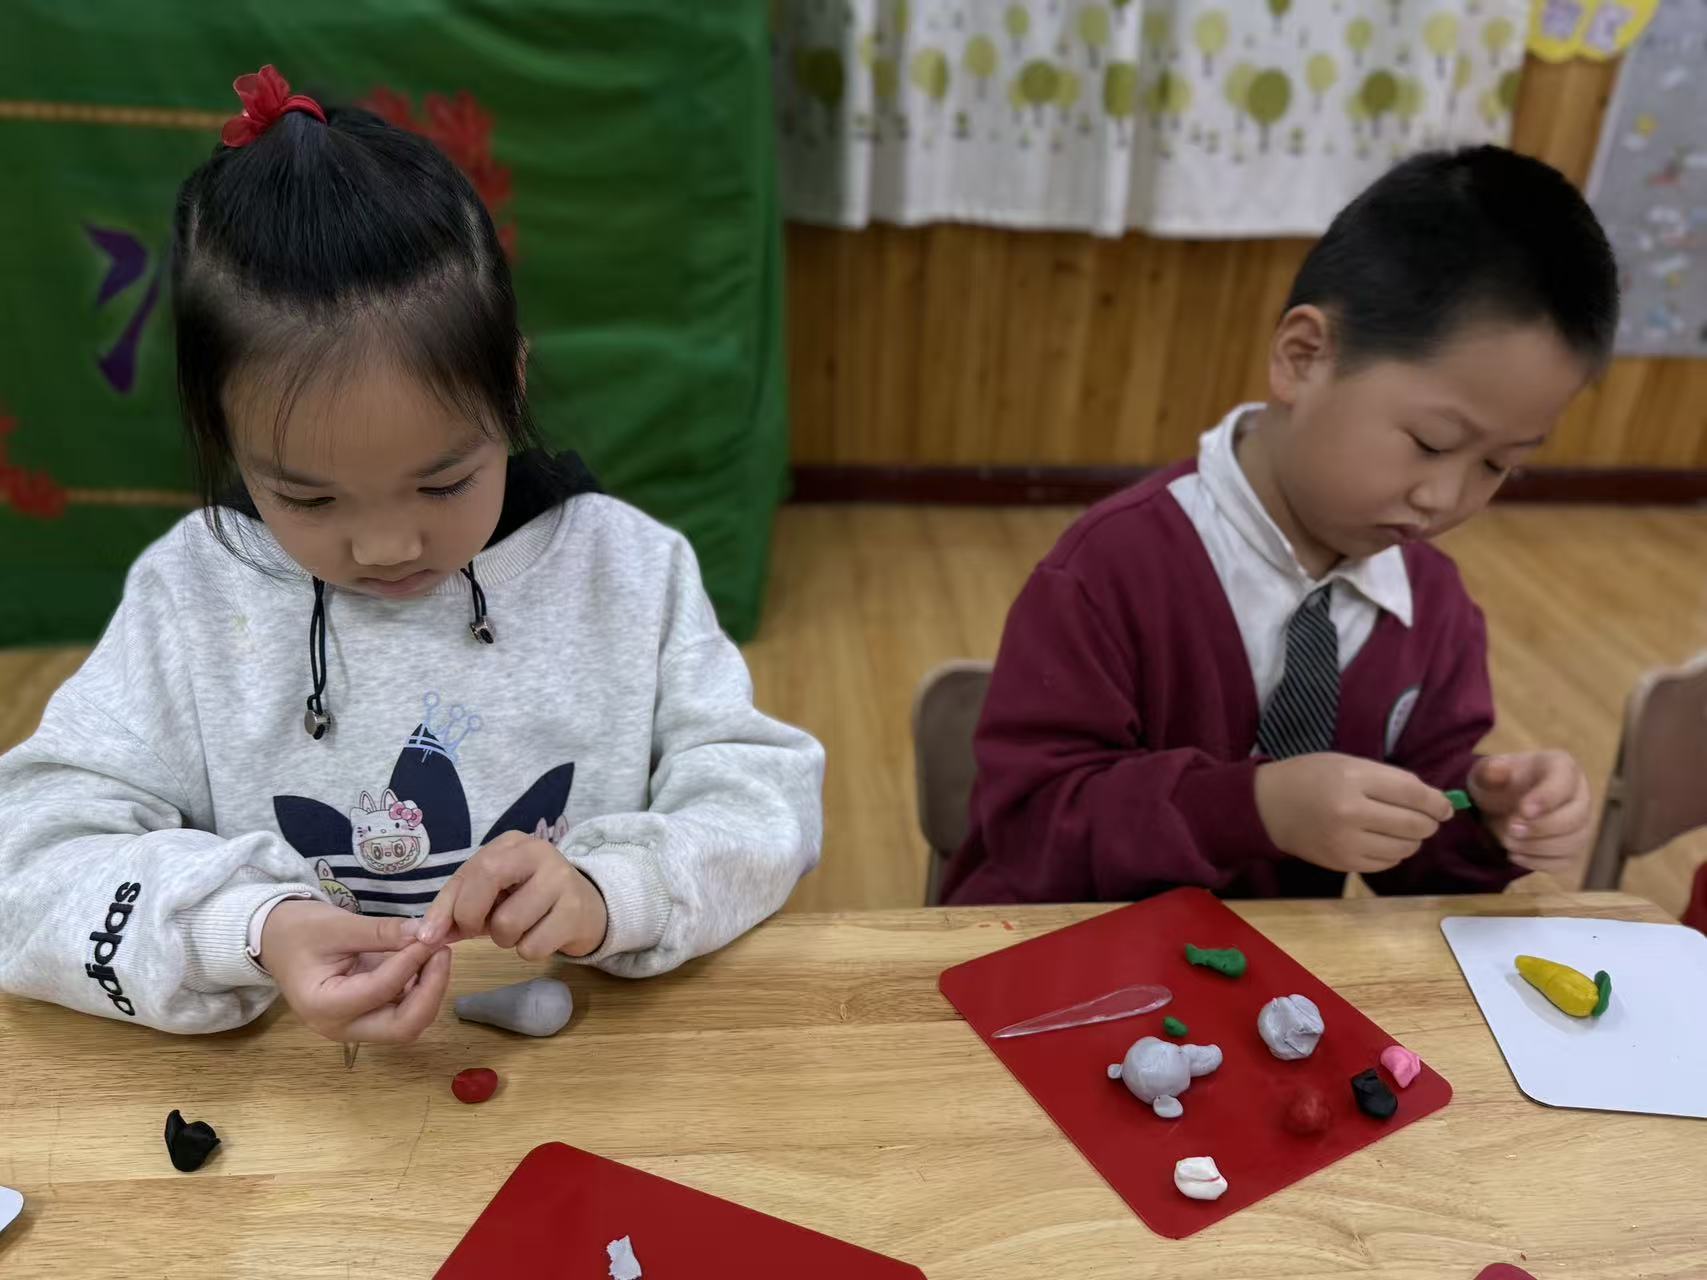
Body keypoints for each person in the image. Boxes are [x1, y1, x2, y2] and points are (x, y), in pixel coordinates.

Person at [0, 67, 824, 1042]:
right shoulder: (195, 596)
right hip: (292, 1099)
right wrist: (250, 928)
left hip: (596, 1076)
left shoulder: (626, 575)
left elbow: (762, 799)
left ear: (511, 386)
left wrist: (613, 889)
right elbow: (28, 859)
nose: (388, 546)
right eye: (309, 497)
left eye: (443, 482)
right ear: (224, 437)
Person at [944, 146, 1616, 906]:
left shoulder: (1434, 608)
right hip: (1061, 948)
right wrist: (1253, 808)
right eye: (1431, 443)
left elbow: (1421, 866)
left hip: (1270, 970)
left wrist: (1486, 816)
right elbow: (1033, 830)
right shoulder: (1110, 569)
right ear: (1302, 358)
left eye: (1499, 465)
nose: (1445, 498)